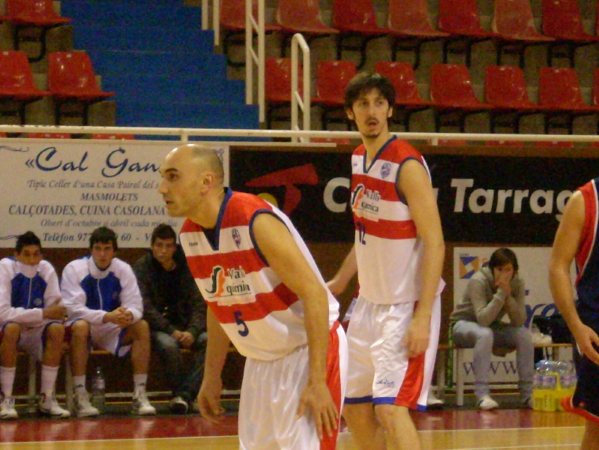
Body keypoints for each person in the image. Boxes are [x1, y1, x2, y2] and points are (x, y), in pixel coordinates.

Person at [158, 144, 347, 450]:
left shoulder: (254, 219)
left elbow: (315, 295)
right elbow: (218, 303)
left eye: (173, 176)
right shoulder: (190, 235)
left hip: (306, 351)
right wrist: (211, 376)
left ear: (206, 182)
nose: (162, 188)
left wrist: (317, 379)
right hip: (260, 360)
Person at [328, 72, 445, 450]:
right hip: (368, 303)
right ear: (350, 113)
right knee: (355, 409)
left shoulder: (406, 165)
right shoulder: (358, 158)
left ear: (391, 109)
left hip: (405, 305)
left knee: (391, 410)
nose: (372, 111)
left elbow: (435, 243)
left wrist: (422, 317)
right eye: (363, 104)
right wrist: (340, 281)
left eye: (379, 103)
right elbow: (366, 233)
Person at [61, 226, 156, 417]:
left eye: (107, 249)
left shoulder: (123, 269)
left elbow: (136, 305)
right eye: (98, 249)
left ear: (114, 251)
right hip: (85, 325)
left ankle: (139, 394)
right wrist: (106, 316)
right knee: (80, 326)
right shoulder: (74, 269)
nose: (102, 254)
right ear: (91, 250)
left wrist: (128, 315)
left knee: (141, 327)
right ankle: (80, 395)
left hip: (112, 326)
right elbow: (73, 309)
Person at [133, 223, 207, 414]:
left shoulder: (188, 266)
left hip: (187, 326)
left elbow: (199, 303)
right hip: (159, 328)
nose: (163, 250)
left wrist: (192, 331)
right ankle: (183, 395)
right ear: (152, 246)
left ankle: (184, 395)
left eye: (168, 246)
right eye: (159, 245)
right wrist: (171, 330)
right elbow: (145, 307)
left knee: (208, 340)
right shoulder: (142, 267)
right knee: (169, 346)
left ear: (175, 247)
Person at [450, 248, 534, 410]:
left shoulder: (517, 282)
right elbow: (483, 319)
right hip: (462, 324)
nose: (503, 274)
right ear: (492, 269)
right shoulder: (478, 280)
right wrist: (501, 293)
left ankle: (527, 394)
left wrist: (508, 297)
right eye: (499, 269)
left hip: (491, 325)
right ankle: (482, 395)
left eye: (508, 270)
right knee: (485, 334)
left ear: (515, 270)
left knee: (523, 335)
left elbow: (519, 320)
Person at [549, 178, 599, 449]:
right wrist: (576, 325)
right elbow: (558, 265)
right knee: (597, 428)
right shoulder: (585, 200)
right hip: (595, 327)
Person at [0, 231, 70, 419]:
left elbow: (56, 312)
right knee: (12, 327)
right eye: (27, 254)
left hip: (36, 330)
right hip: (9, 330)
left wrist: (45, 315)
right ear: (16, 255)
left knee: (56, 329)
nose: (32, 260)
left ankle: (47, 398)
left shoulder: (46, 270)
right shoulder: (5, 268)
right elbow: (3, 313)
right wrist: (42, 313)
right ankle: (6, 399)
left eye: (36, 254)